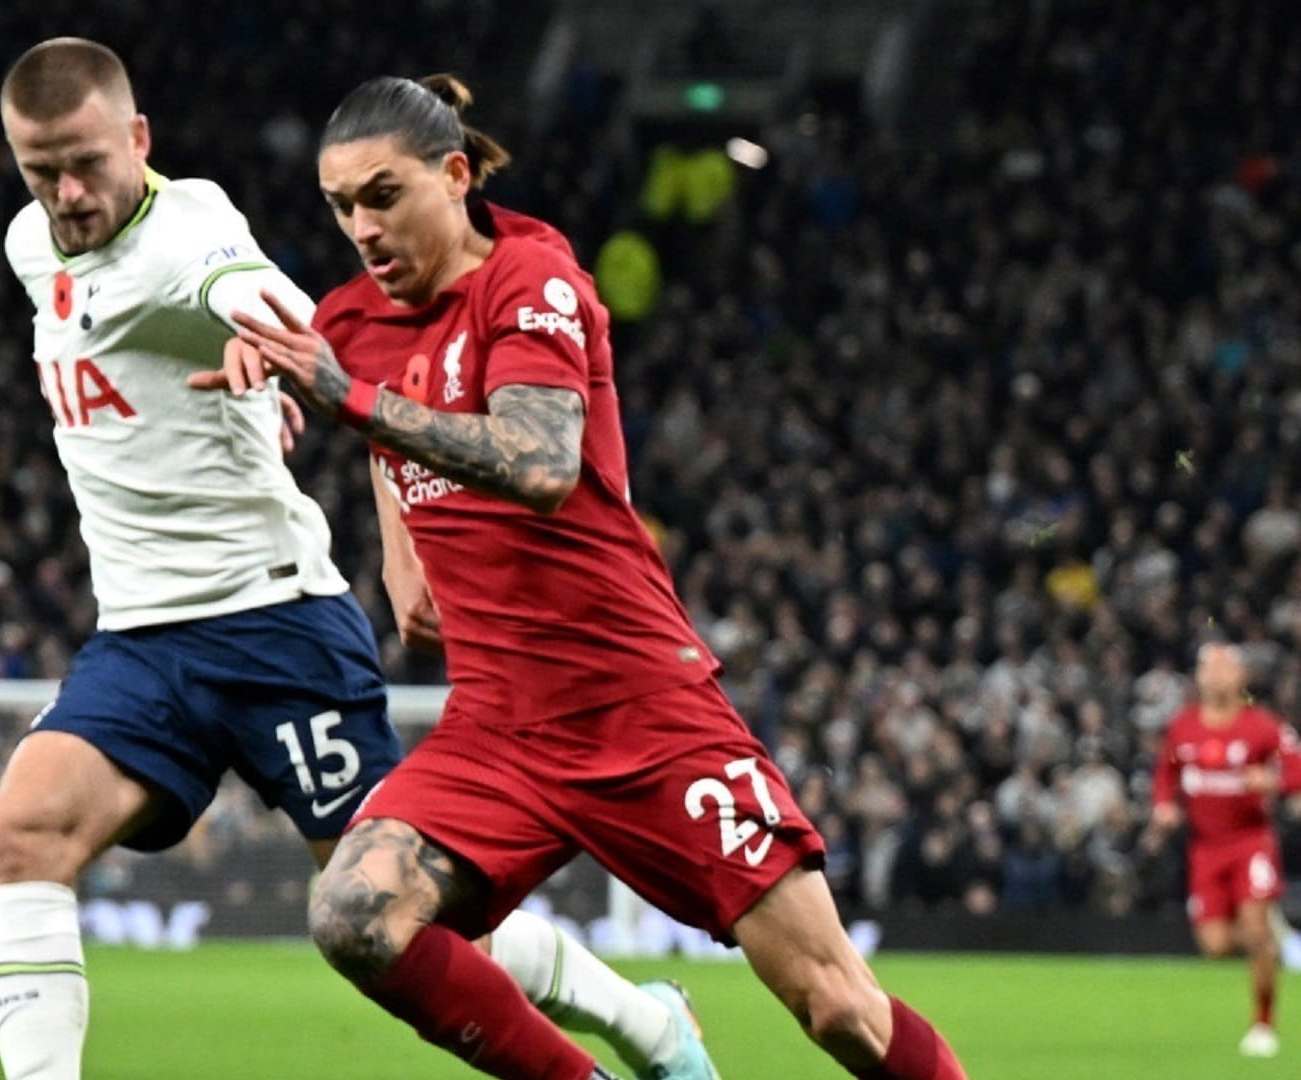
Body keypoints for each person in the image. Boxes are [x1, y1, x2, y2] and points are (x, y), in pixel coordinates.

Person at [194, 73, 969, 1080]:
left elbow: (540, 462)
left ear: (455, 175)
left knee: (836, 1007)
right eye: (342, 206)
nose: (362, 229)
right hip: (499, 727)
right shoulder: (351, 318)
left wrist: (349, 399)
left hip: (638, 709)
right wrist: (398, 550)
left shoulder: (533, 280)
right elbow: (370, 399)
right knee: (354, 914)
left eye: (383, 196)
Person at [0, 37, 716, 1080]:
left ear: (138, 139)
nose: (66, 194)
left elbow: (313, 330)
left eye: (87, 164)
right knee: (18, 834)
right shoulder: (32, 243)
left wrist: (274, 354)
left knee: (397, 915)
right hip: (141, 637)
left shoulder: (189, 232)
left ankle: (646, 1025)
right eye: (40, 170)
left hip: (276, 627)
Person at [1151, 642, 1299, 1058]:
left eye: (1224, 668)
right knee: (1214, 946)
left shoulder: (1262, 726)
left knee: (1254, 927)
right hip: (1205, 848)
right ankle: (1275, 942)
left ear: (1240, 677)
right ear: (1199, 677)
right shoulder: (1183, 727)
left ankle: (1263, 1023)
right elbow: (1165, 774)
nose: (1215, 676)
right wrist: (1164, 805)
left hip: (1251, 842)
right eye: (1209, 669)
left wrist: (1273, 782)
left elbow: (1296, 770)